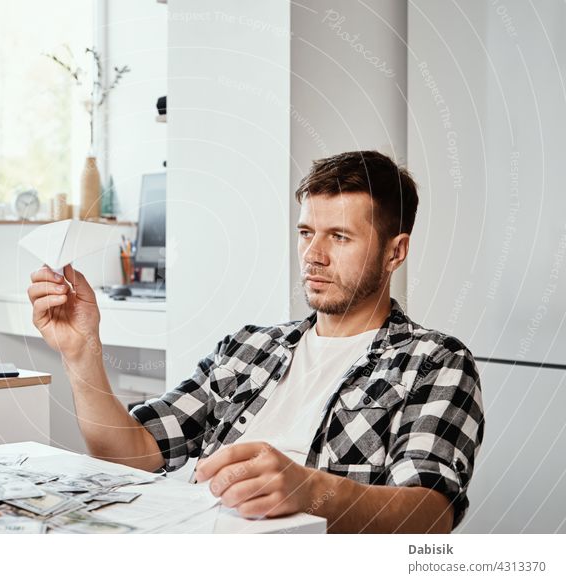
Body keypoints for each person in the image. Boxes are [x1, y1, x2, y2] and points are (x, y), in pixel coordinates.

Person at [27, 151, 484, 533]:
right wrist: (82, 352)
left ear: (395, 252)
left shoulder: (434, 361)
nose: (313, 255)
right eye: (307, 233)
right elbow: (132, 453)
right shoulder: (249, 349)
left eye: (340, 237)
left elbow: (430, 514)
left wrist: (312, 491)